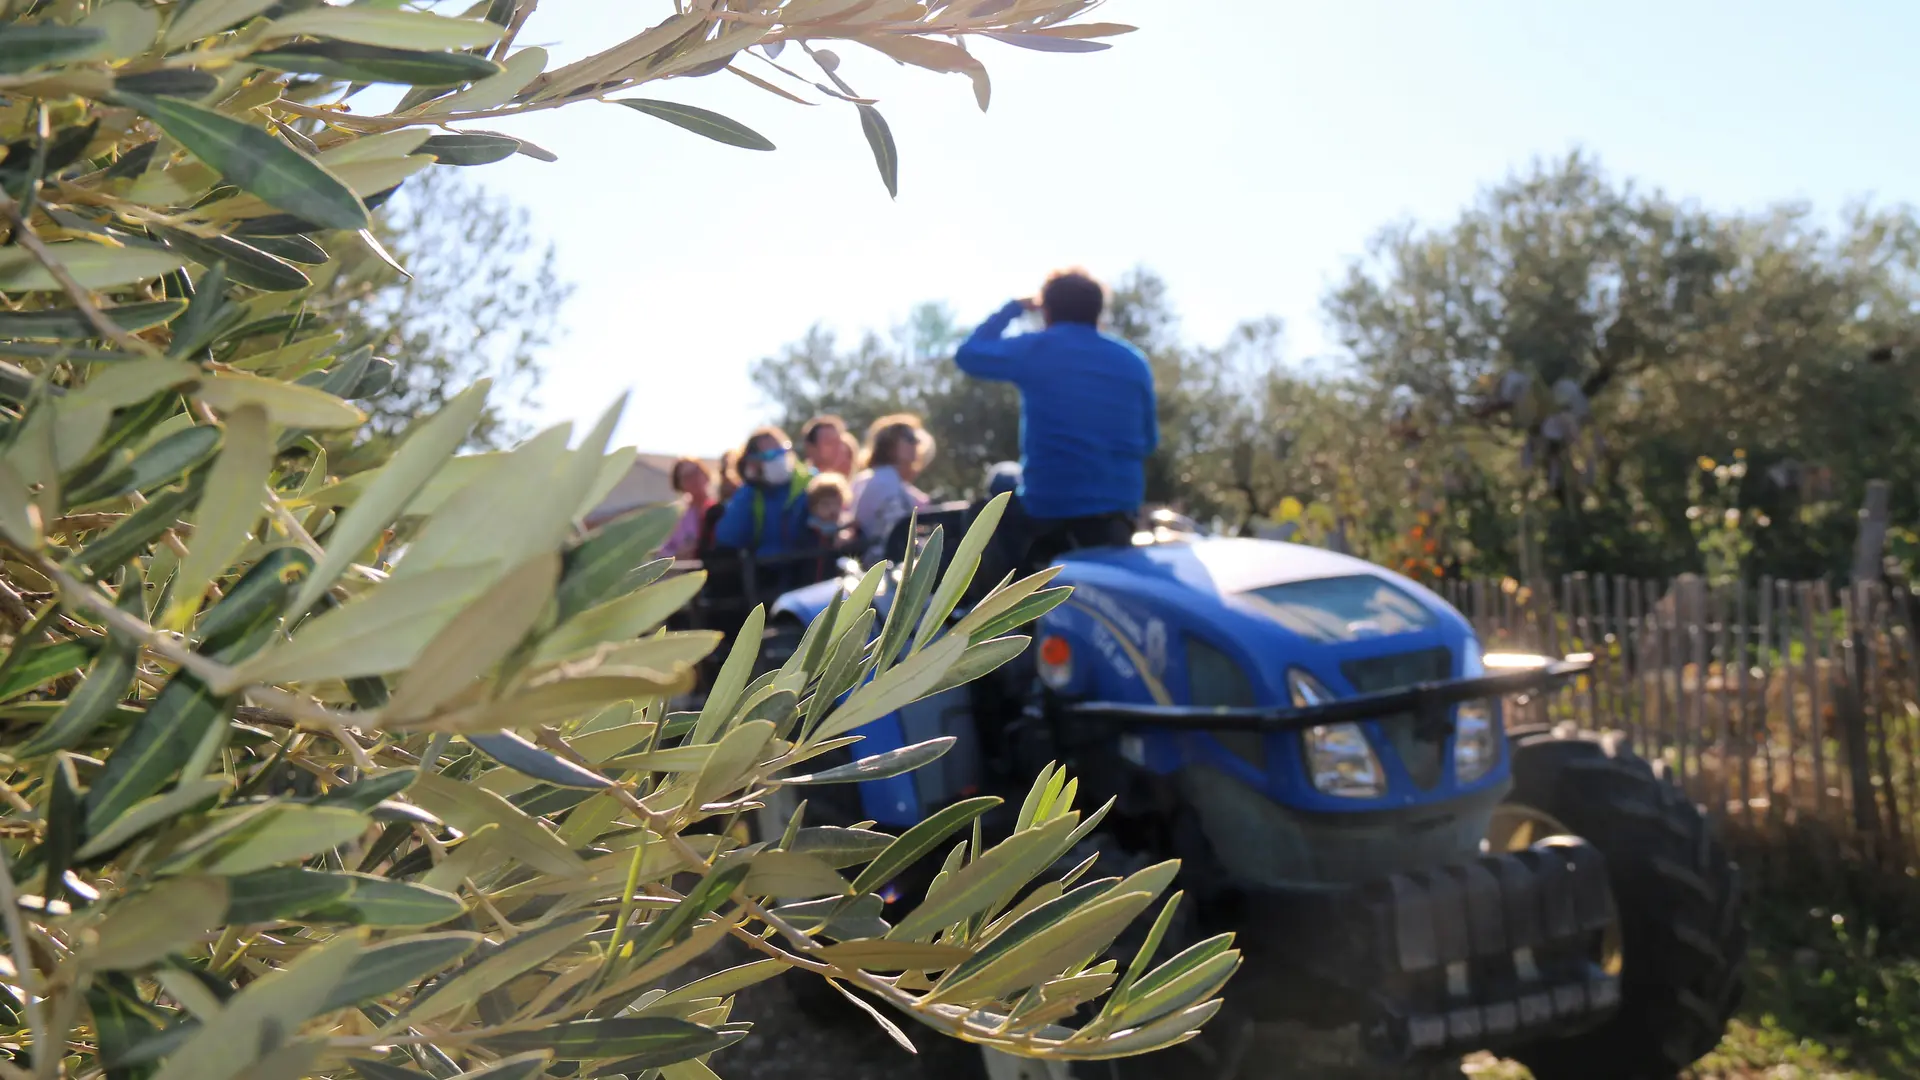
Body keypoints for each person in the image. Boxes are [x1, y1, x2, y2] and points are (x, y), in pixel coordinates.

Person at [955, 268, 1158, 569]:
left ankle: (997, 599)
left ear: (1046, 310)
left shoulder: (1037, 348)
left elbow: (969, 354)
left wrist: (1015, 307)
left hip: (1048, 510)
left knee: (1002, 476)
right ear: (1098, 311)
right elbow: (1149, 443)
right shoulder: (1134, 361)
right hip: (1118, 512)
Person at [711, 428, 815, 567]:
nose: (780, 458)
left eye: (783, 450)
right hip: (767, 577)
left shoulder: (812, 481)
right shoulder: (750, 492)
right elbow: (729, 537)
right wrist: (750, 485)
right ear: (753, 462)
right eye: (770, 454)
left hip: (808, 573)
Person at [852, 413, 933, 561]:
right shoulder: (883, 480)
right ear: (889, 445)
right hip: (884, 566)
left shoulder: (886, 479)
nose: (916, 443)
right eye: (909, 438)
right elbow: (899, 533)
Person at [800, 472, 855, 582]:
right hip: (811, 584)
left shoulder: (847, 527)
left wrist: (849, 537)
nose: (832, 509)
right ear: (814, 507)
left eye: (837, 503)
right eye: (826, 504)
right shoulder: (807, 530)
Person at [659, 457, 714, 560]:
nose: (694, 479)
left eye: (696, 472)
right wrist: (677, 555)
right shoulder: (675, 517)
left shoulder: (723, 509)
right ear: (680, 485)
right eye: (687, 477)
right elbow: (662, 553)